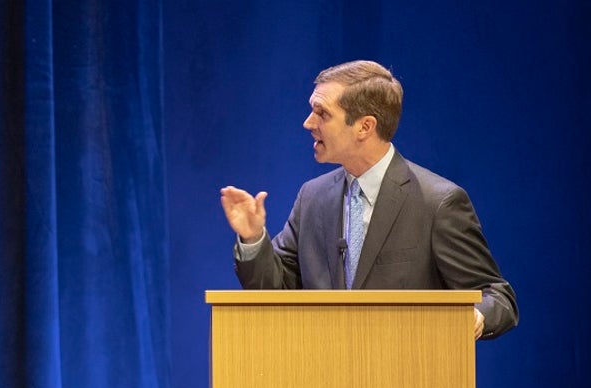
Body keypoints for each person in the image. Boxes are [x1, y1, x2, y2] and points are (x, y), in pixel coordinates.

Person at [219, 60, 516, 339]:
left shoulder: (437, 202)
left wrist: (473, 318)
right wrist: (254, 238)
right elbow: (274, 288)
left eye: (322, 113)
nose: (308, 123)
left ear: (365, 126)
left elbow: (497, 295)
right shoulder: (313, 197)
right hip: (322, 379)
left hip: (408, 381)